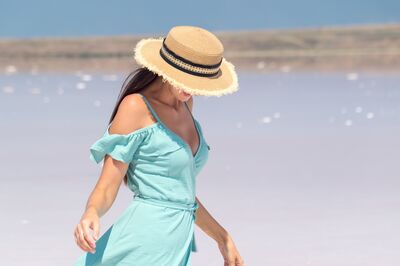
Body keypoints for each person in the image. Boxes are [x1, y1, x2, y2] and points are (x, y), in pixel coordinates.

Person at [73, 25, 243, 266]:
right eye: (184, 78)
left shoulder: (186, 104)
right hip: (145, 241)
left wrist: (222, 237)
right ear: (166, 68)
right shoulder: (135, 107)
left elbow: (181, 196)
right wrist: (91, 212)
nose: (190, 87)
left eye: (198, 81)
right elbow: (107, 186)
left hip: (176, 242)